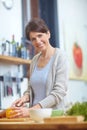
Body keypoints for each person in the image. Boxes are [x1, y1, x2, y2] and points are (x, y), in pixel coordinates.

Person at [10, 18, 69, 118]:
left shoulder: (60, 57)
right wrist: (24, 98)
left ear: (48, 34)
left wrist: (31, 110)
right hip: (34, 117)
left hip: (53, 117)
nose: (38, 41)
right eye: (33, 39)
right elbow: (31, 88)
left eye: (40, 35)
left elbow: (58, 93)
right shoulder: (34, 60)